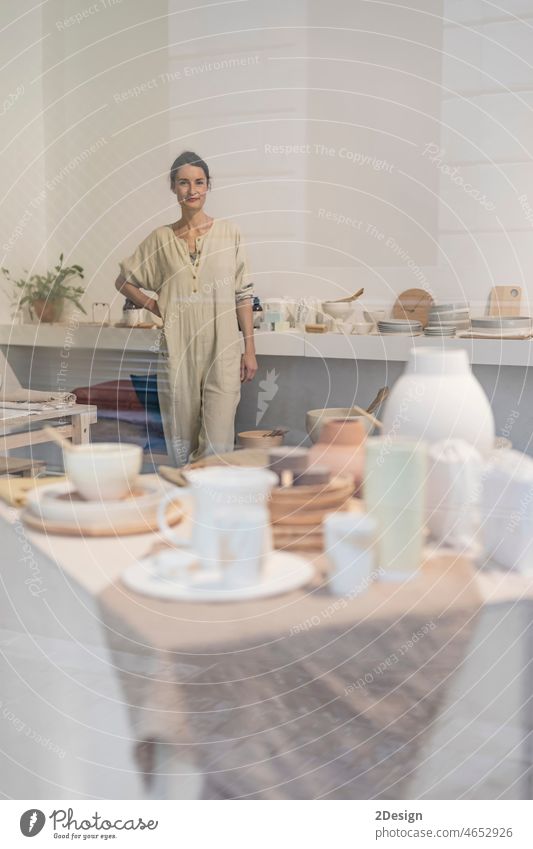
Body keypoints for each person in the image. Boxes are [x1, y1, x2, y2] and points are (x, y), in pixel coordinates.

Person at [115, 151, 257, 466]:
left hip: (223, 349)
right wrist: (157, 306)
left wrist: (249, 348)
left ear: (208, 186)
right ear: (173, 187)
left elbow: (243, 294)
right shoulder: (160, 240)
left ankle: (212, 507)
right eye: (183, 183)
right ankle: (188, 509)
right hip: (178, 351)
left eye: (199, 182)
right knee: (182, 442)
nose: (192, 190)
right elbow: (123, 281)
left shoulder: (229, 233)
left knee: (218, 444)